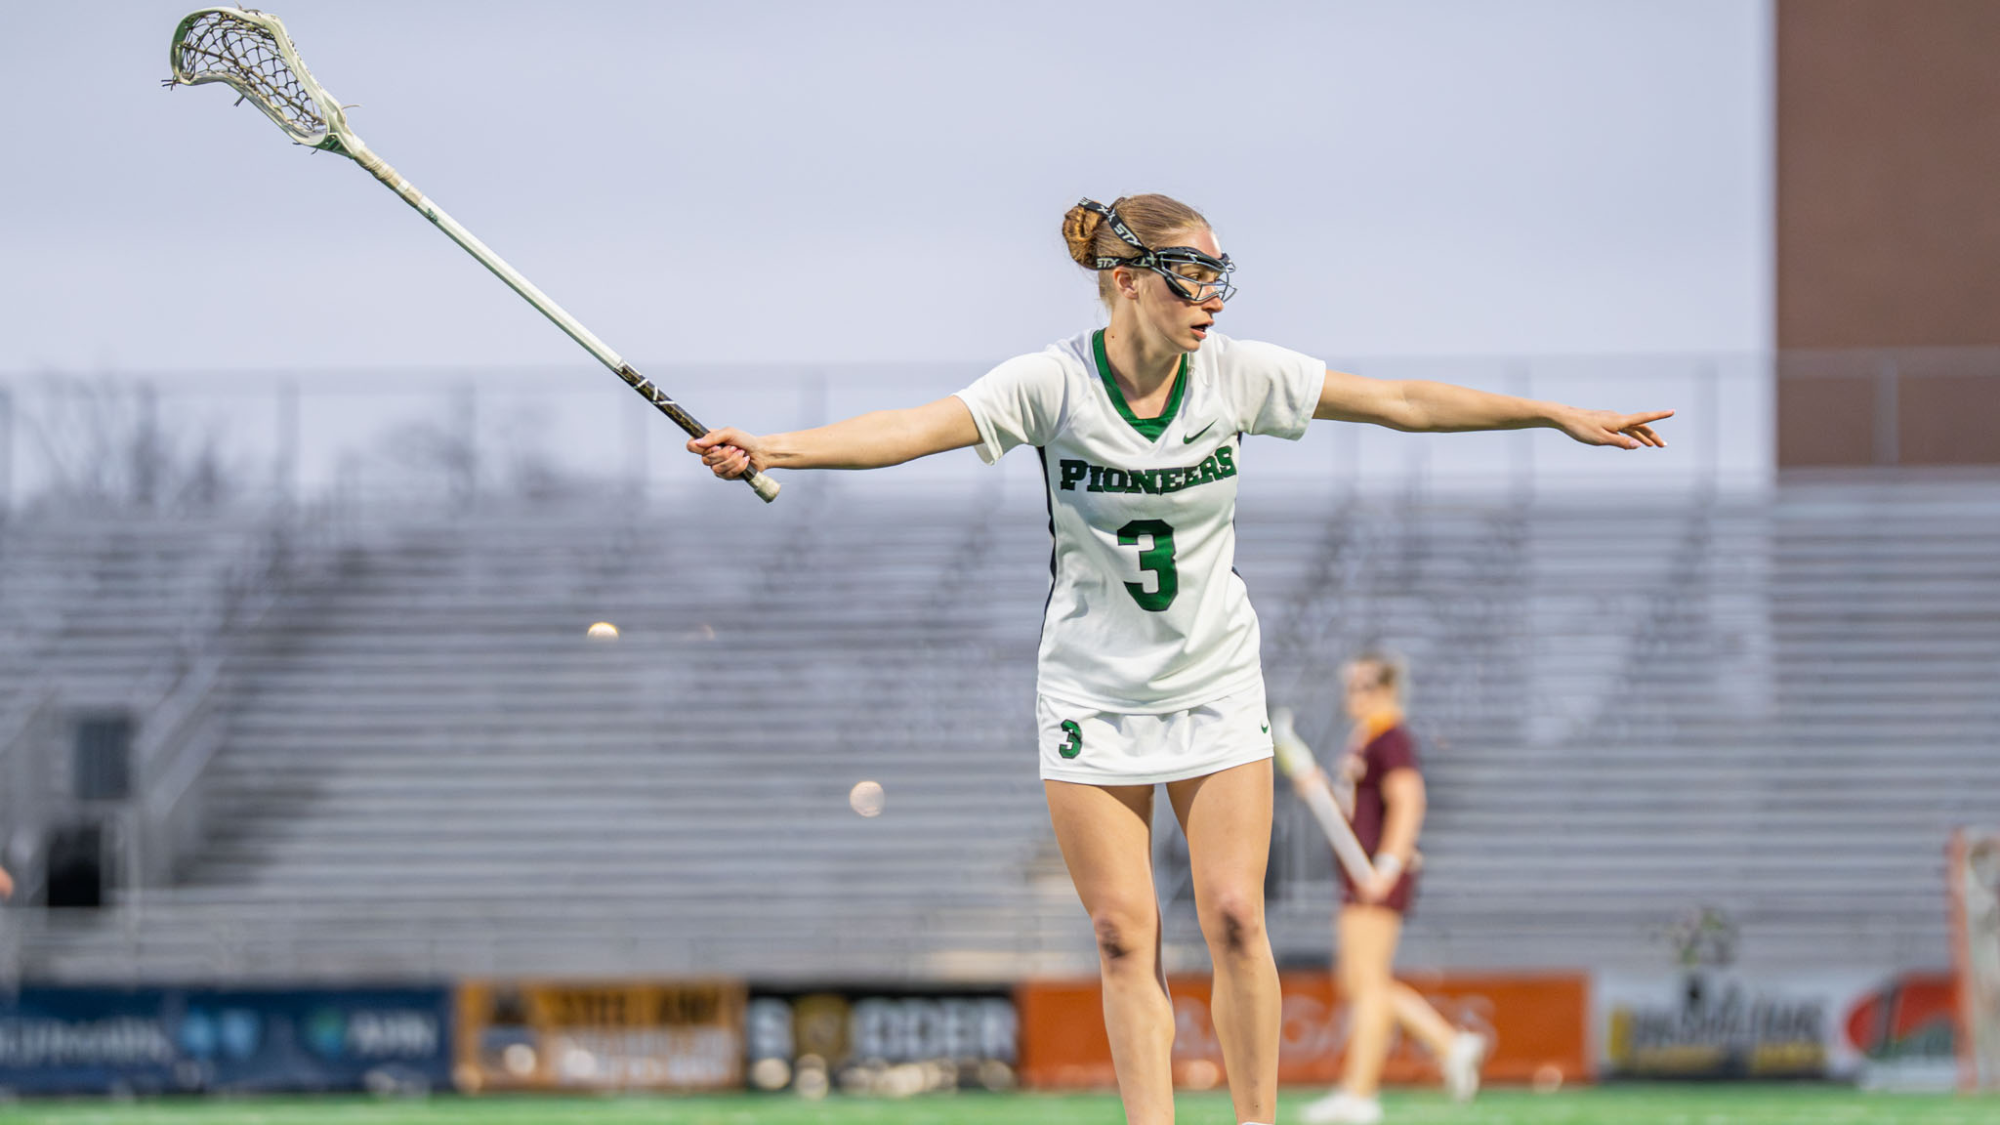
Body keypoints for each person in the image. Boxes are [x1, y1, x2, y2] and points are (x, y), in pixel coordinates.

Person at [690, 194, 1669, 1125]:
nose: (1210, 299)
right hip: (1089, 689)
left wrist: (1551, 414)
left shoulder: (1236, 375)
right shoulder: (1051, 383)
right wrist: (775, 448)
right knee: (1123, 933)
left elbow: (1400, 400)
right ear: (1125, 281)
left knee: (1236, 915)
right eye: (1187, 277)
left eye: (1216, 277)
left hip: (1214, 680)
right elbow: (912, 429)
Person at [1301, 653, 1483, 1125]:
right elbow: (1357, 811)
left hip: (1374, 873)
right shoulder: (1365, 737)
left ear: (1383, 688)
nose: (1349, 694)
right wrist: (1318, 789)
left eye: (1359, 685)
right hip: (1358, 871)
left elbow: (1408, 802)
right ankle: (1447, 1045)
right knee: (1360, 982)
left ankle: (1361, 1093)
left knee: (1367, 983)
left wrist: (1386, 865)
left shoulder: (1391, 737)